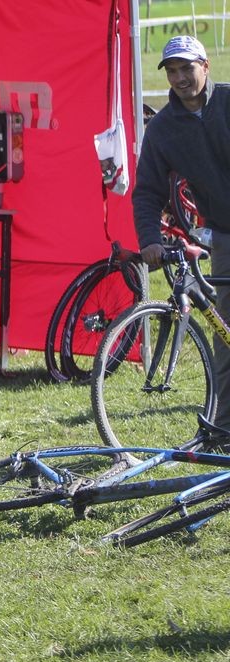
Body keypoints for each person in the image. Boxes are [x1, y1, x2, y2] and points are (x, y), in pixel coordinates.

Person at [133, 35, 230, 429]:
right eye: (171, 71)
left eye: (186, 68)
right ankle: (224, 428)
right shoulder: (162, 129)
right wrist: (150, 239)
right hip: (224, 234)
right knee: (226, 337)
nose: (179, 77)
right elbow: (147, 191)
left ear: (205, 66)